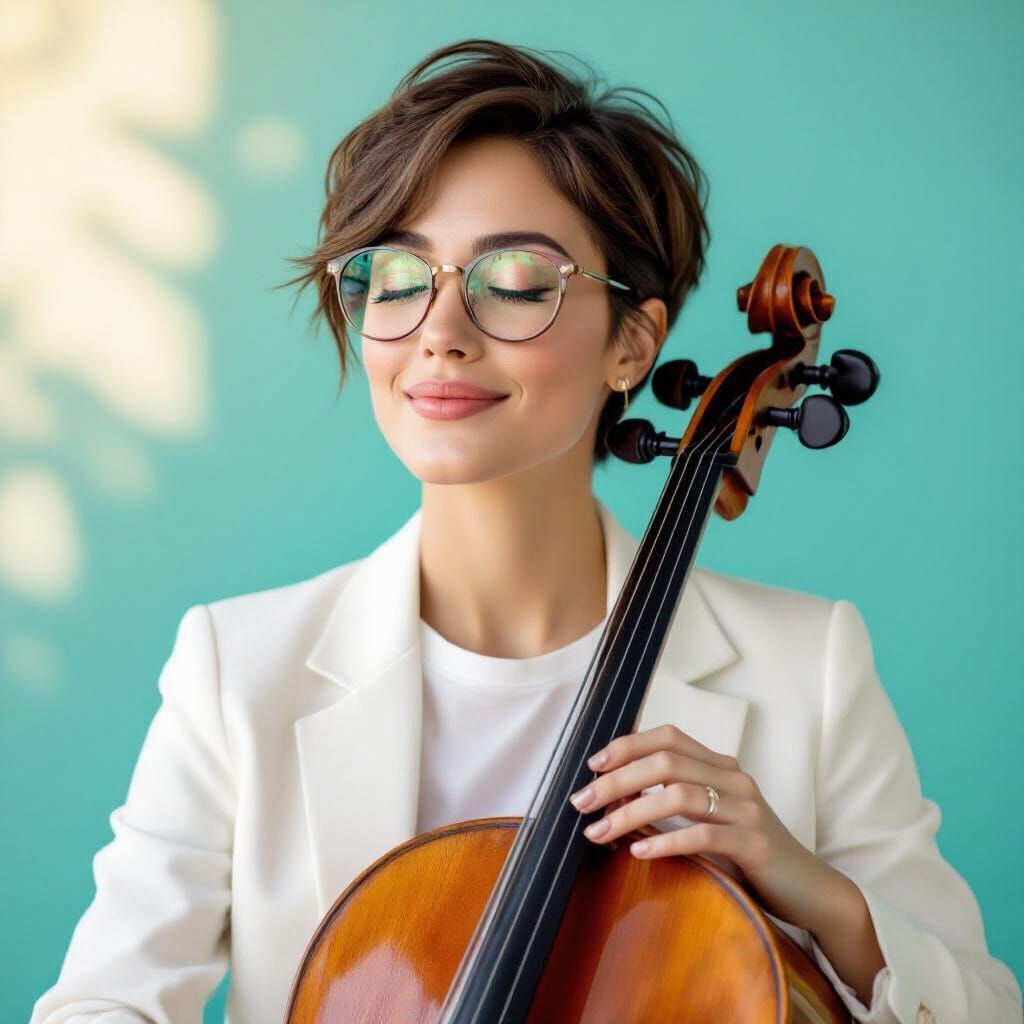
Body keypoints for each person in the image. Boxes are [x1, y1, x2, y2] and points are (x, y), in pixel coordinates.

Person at [31, 38, 1021, 1024]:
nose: (440, 330)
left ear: (631, 342)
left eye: (514, 279)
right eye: (396, 275)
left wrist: (804, 883)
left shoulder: (806, 666)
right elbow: (98, 1006)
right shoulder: (238, 667)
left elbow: (982, 1007)